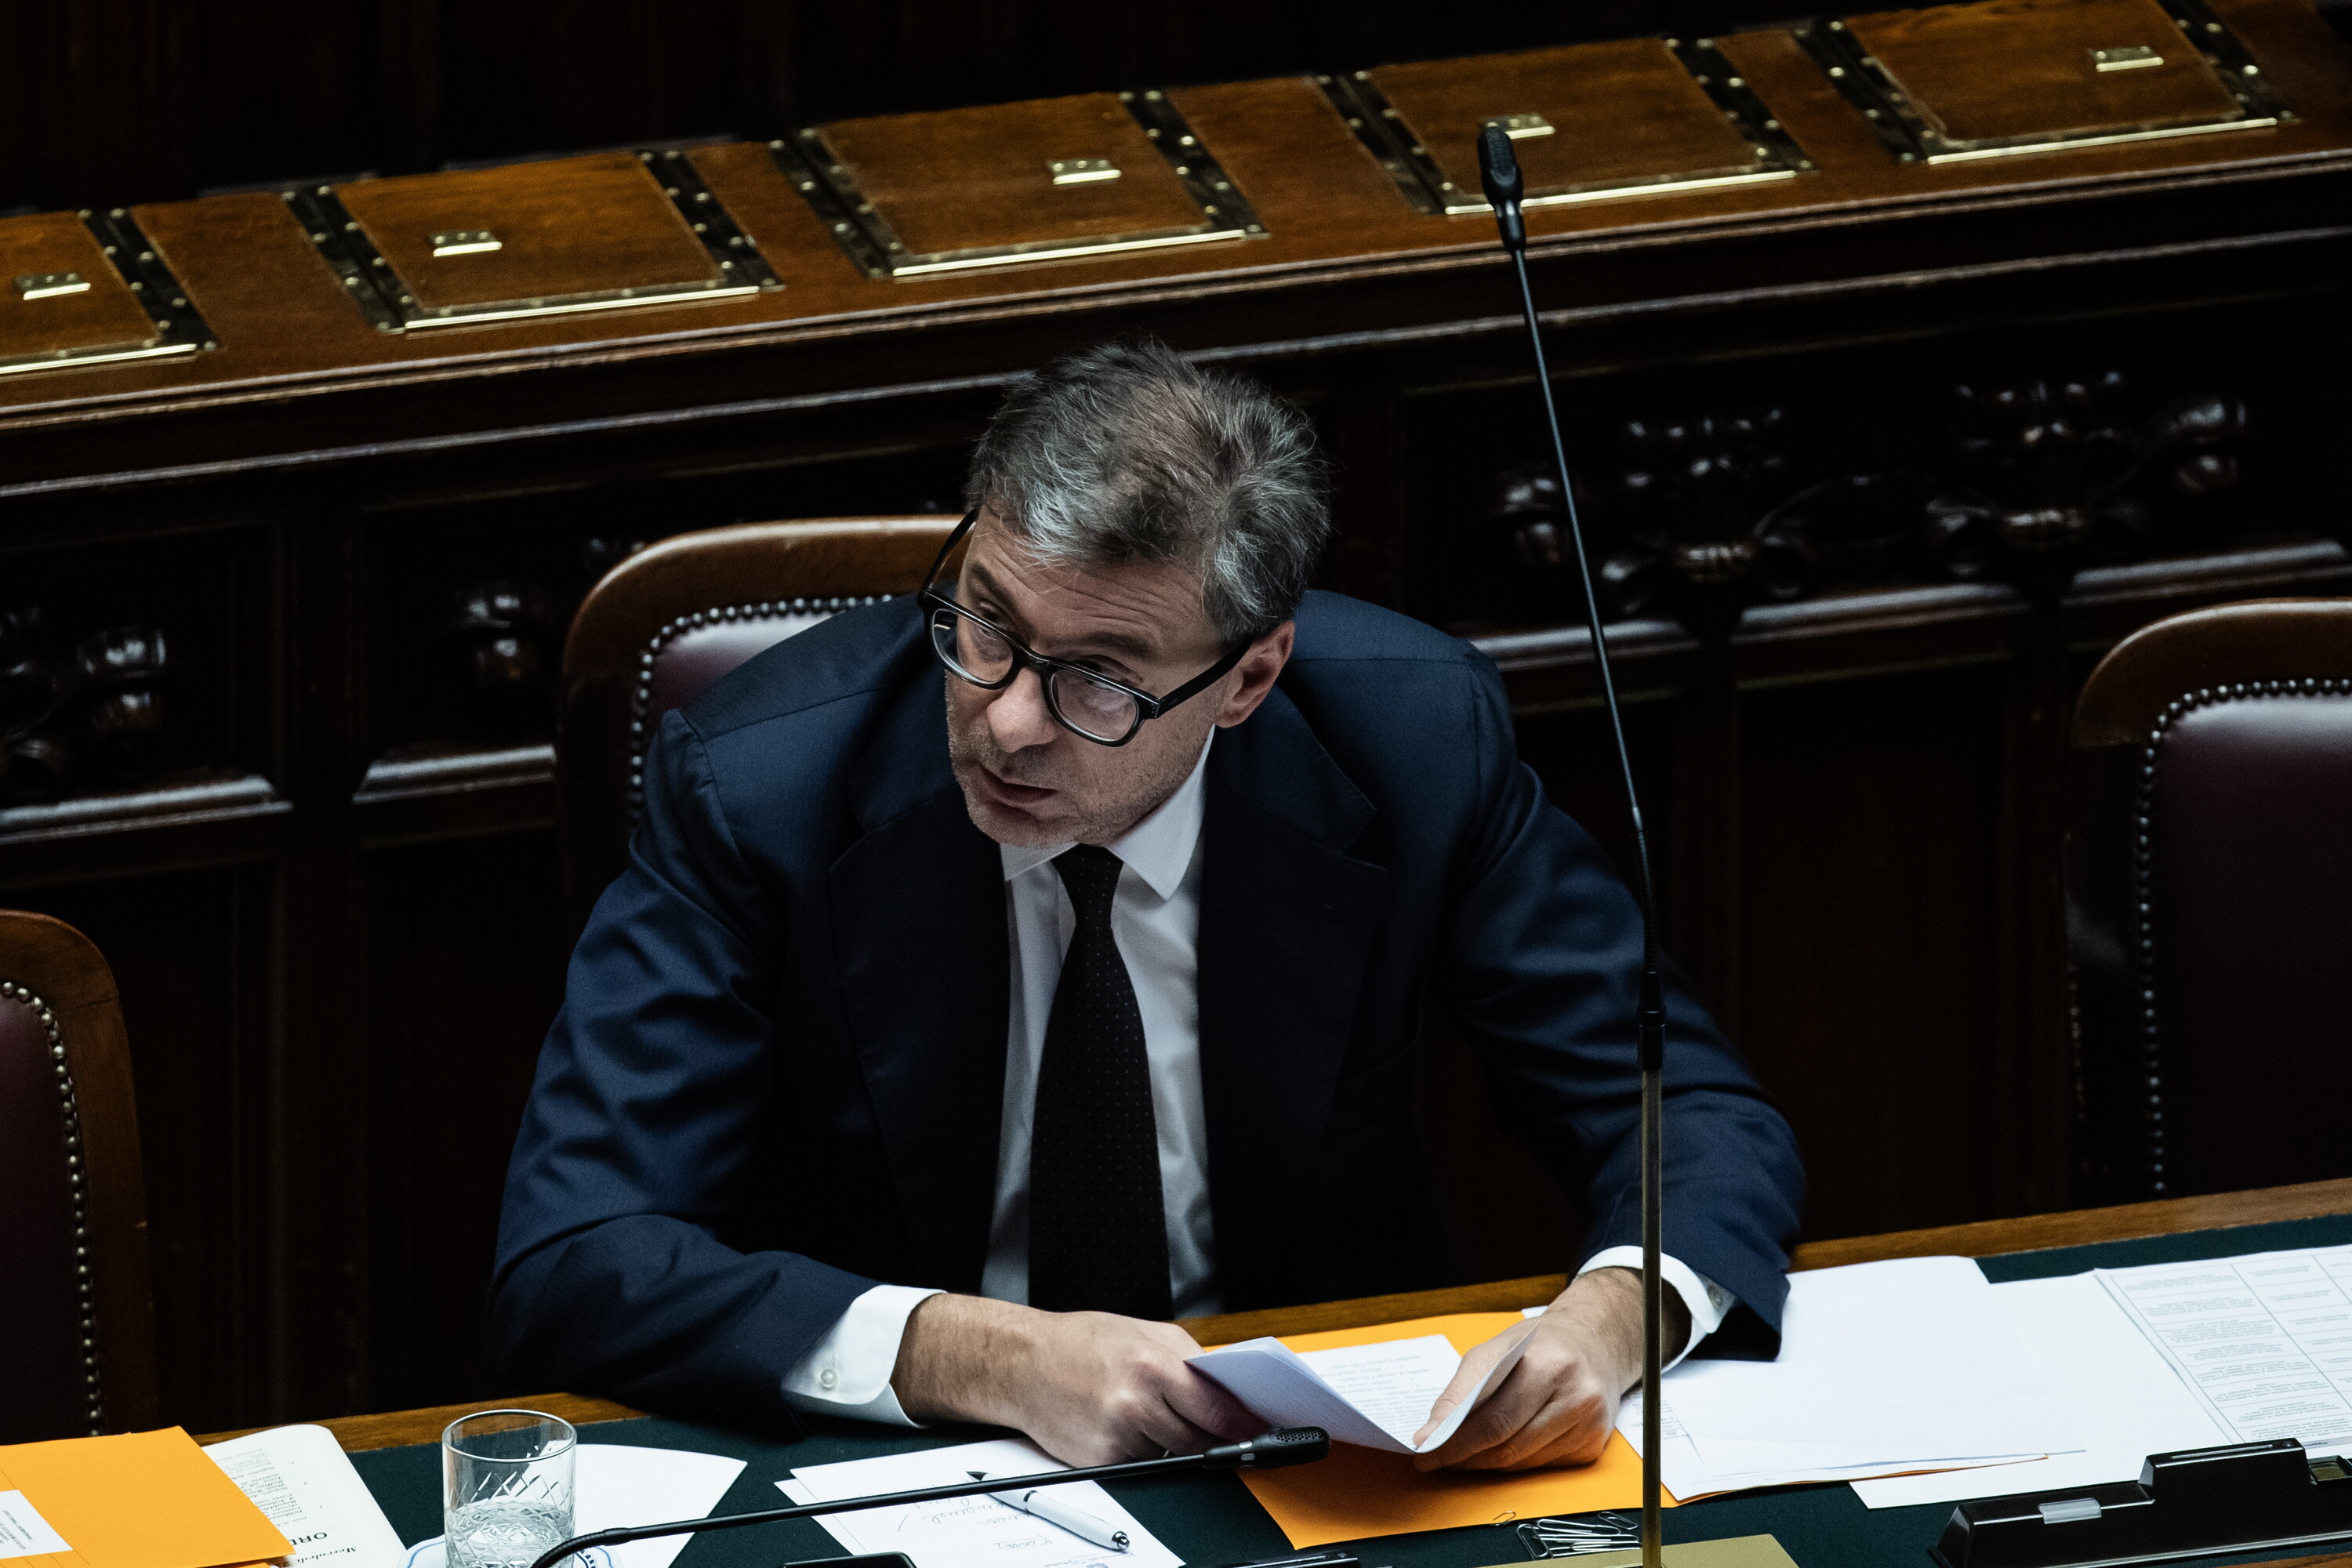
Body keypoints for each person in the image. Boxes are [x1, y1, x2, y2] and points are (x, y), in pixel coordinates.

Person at [492, 337, 1803, 1472]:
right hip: (909, 1470)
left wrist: (1613, 1318)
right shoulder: (760, 786)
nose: (1007, 722)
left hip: (1316, 1468)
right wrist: (987, 1358)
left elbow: (1687, 1111)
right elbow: (576, 1256)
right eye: (987, 625)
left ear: (1249, 680)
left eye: (1101, 681)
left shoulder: (1412, 746)